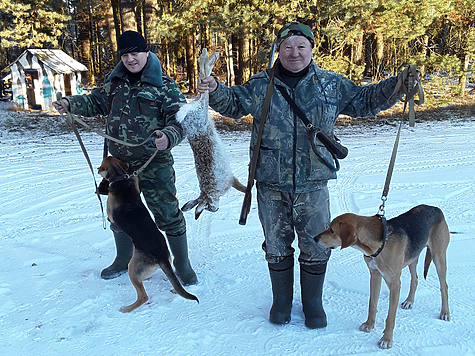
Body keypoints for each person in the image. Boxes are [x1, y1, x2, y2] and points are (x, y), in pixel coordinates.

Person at [197, 22, 414, 328]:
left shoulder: (330, 85)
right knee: (275, 245)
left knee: (316, 244)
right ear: (278, 50)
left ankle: (313, 304)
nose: (294, 53)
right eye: (287, 47)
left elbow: (365, 101)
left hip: (314, 185)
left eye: (301, 47)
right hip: (271, 185)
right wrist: (215, 89)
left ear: (312, 49)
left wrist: (398, 84)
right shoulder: (261, 84)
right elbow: (233, 103)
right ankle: (282, 303)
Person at [53, 30, 198, 285]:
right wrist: (70, 103)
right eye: (125, 55)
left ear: (146, 52)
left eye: (135, 53)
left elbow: (181, 120)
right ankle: (123, 259)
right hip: (119, 166)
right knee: (119, 214)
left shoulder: (165, 85)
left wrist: (168, 137)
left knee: (167, 213)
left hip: (154, 163)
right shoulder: (115, 82)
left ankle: (182, 264)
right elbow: (96, 102)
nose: (130, 59)